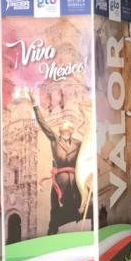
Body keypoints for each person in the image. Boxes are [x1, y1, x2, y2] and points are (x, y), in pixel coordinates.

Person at [30, 91, 85, 235]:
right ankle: (52, 232)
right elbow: (44, 125)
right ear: (61, 130)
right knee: (54, 212)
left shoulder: (79, 144)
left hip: (76, 181)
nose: (66, 130)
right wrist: (35, 106)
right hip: (60, 181)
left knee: (83, 201)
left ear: (71, 130)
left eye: (68, 128)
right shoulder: (55, 140)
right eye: (63, 128)